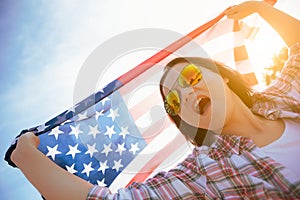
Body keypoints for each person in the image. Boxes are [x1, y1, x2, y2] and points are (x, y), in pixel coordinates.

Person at [10, 1, 300, 199]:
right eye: (173, 103)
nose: (186, 95)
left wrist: (260, 8)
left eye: (192, 77)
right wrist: (26, 155)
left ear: (222, 76)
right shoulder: (202, 173)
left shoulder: (283, 97)